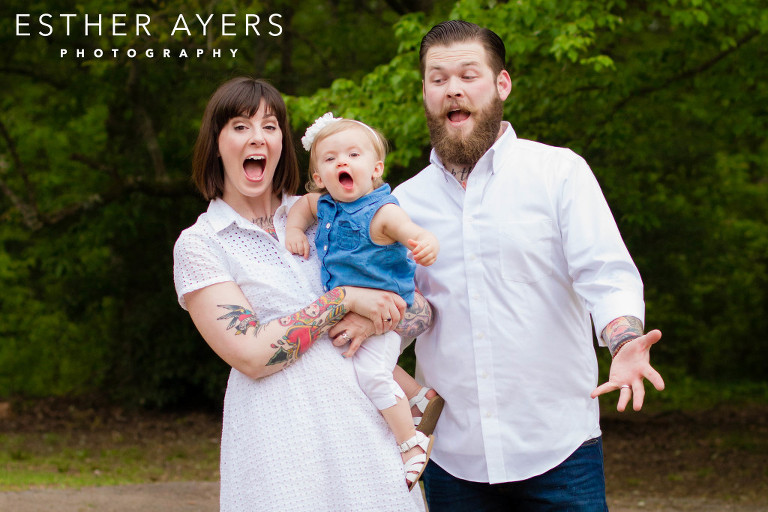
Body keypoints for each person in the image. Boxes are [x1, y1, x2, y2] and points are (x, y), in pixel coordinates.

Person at [388, 20, 666, 510]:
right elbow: (398, 315)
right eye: (437, 78)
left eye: (468, 74)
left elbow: (605, 276)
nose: (452, 88)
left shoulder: (559, 173)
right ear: (426, 93)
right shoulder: (401, 205)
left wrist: (624, 341)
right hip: (453, 456)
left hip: (560, 449)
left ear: (502, 85)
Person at [172, 77, 429, 511]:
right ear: (215, 143)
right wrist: (343, 299)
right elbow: (252, 354)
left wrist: (372, 317)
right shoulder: (202, 243)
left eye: (270, 126)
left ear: (282, 145)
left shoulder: (328, 212)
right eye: (239, 126)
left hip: (368, 433)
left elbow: (420, 308)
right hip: (280, 442)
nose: (257, 137)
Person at [284, 113, 440, 489]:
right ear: (320, 177)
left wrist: (423, 240)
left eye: (353, 154)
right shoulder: (322, 203)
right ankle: (419, 398)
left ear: (375, 170)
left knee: (370, 375)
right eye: (331, 158)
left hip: (387, 308)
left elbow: (407, 228)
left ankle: (411, 445)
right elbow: (302, 208)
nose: (342, 162)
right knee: (363, 361)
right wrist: (292, 229)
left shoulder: (381, 211)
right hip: (351, 309)